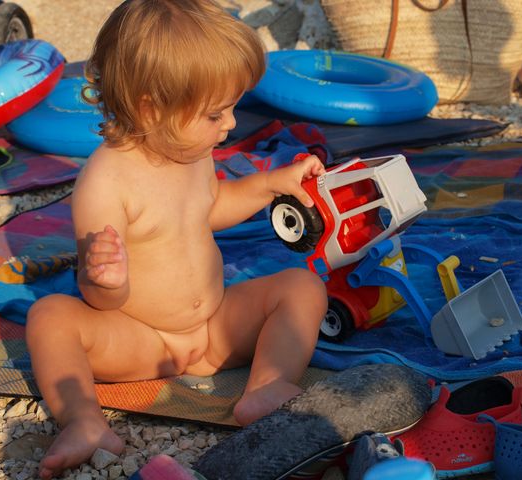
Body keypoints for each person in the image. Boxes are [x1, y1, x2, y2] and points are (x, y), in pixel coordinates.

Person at [25, 0, 328, 478]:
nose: (230, 124)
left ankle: (266, 386)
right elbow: (99, 300)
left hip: (214, 329)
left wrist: (272, 183)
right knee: (50, 318)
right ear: (151, 109)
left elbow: (211, 207)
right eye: (215, 114)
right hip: (142, 338)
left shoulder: (192, 151)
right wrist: (106, 280)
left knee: (302, 285)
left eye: (232, 108)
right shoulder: (105, 184)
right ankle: (83, 420)